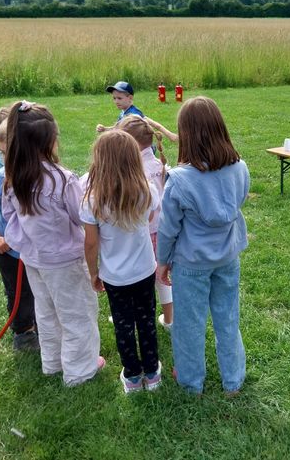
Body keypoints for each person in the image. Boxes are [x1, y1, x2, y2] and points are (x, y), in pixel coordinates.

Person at [2, 101, 103, 386]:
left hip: (34, 260)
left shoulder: (12, 179)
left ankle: (53, 363)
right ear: (48, 141)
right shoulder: (62, 180)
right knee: (77, 314)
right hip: (66, 261)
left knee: (46, 313)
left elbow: (10, 219)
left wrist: (25, 242)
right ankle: (79, 371)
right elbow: (82, 216)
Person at [156, 96, 249, 396]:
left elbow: (168, 228)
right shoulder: (240, 169)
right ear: (220, 129)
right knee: (228, 317)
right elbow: (239, 202)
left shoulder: (178, 180)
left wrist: (162, 261)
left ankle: (190, 382)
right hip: (227, 258)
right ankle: (233, 380)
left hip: (191, 265)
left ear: (185, 135)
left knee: (188, 324)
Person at [81, 130, 162, 393]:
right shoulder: (147, 190)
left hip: (114, 276)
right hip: (144, 270)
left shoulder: (93, 199)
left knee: (124, 325)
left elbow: (91, 243)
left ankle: (133, 377)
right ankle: (152, 374)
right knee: (147, 321)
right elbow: (150, 220)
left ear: (99, 161)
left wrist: (93, 273)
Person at [116, 115, 173, 331]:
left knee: (138, 278)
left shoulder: (133, 170)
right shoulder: (159, 164)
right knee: (162, 278)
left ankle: (130, 318)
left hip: (141, 232)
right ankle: (169, 320)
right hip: (162, 230)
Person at [0, 117, 38, 351]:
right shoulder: (0, 176)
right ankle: (23, 333)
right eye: (1, 153)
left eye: (9, 153)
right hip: (10, 250)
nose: (4, 159)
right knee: (19, 293)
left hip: (36, 248)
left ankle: (40, 324)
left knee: (39, 289)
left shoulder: (38, 173)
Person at [96, 80, 179, 142]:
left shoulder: (133, 115)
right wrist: (105, 129)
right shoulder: (124, 112)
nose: (116, 101)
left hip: (141, 149)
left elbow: (152, 124)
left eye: (119, 98)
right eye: (114, 98)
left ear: (130, 98)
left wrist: (170, 135)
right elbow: (117, 128)